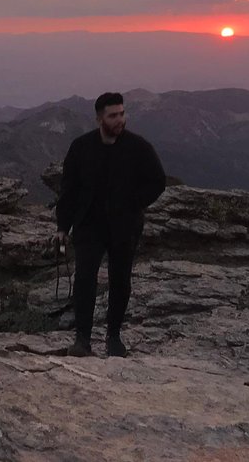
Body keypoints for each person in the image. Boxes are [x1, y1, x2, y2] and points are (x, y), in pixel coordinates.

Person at [55, 91, 166, 357]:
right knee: (84, 279)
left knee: (120, 281)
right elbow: (68, 189)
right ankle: (82, 339)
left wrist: (134, 204)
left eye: (122, 114)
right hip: (89, 225)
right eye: (113, 115)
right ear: (99, 119)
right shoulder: (81, 147)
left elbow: (157, 181)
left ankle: (113, 337)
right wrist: (62, 226)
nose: (120, 120)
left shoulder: (138, 147)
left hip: (124, 226)